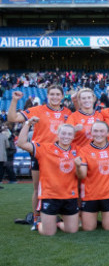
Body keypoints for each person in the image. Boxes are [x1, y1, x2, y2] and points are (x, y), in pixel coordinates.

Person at [8, 86, 71, 227]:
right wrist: (14, 100)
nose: (55, 97)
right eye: (52, 94)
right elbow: (12, 118)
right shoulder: (38, 110)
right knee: (38, 187)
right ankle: (36, 218)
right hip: (39, 153)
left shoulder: (67, 113)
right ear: (47, 96)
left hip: (60, 156)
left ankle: (58, 215)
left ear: (62, 96)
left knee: (60, 186)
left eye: (57, 94)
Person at [17, 120, 78, 236]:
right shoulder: (45, 149)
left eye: (70, 134)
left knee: (72, 230)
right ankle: (39, 224)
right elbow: (21, 143)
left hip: (70, 196)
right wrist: (27, 124)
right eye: (63, 133)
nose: (66, 136)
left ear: (74, 136)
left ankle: (58, 223)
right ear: (58, 134)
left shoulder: (77, 150)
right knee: (48, 233)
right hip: (50, 196)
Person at [73, 121, 109, 231]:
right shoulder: (84, 150)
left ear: (108, 133)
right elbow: (82, 175)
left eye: (102, 131)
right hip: (90, 195)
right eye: (96, 131)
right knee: (88, 228)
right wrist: (78, 167)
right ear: (91, 133)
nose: (99, 134)